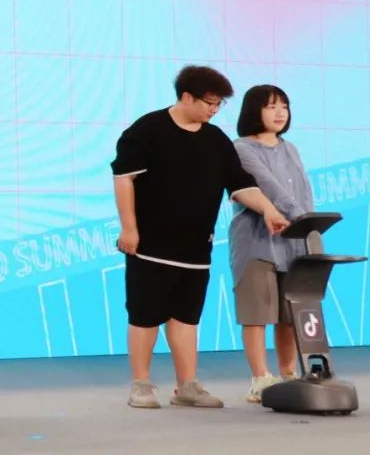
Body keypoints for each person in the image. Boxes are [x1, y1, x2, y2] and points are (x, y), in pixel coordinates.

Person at [111, 65, 290, 409]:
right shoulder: (147, 130)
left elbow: (240, 184)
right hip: (150, 246)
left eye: (219, 104)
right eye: (209, 102)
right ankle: (141, 385)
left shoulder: (216, 140)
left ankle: (187, 386)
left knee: (186, 318)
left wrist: (268, 209)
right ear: (186, 97)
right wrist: (129, 228)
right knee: (145, 315)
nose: (214, 109)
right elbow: (123, 178)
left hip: (196, 248)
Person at [229, 84, 311, 403]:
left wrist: (308, 226)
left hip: (293, 242)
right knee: (257, 313)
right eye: (271, 106)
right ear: (254, 110)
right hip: (257, 242)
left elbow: (303, 191)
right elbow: (269, 186)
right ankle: (260, 378)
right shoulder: (241, 148)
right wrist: (300, 216)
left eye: (284, 106)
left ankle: (288, 373)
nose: (280, 113)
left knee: (289, 315)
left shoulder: (291, 149)